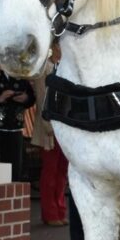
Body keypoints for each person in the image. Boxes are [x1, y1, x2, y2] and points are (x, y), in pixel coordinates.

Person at [0, 45, 35, 181]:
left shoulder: (17, 74)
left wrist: (25, 98)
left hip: (14, 128)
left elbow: (31, 97)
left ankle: (11, 197)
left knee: (14, 169)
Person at [31, 44, 68, 227]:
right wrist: (48, 125)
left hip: (64, 126)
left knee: (62, 171)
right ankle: (50, 212)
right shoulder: (43, 69)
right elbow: (42, 98)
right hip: (50, 129)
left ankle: (60, 209)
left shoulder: (64, 67)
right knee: (50, 171)